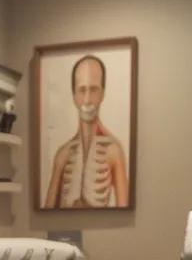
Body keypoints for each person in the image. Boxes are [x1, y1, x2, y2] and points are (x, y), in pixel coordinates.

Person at [43, 55, 129, 209]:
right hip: (64, 231)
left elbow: (125, 208)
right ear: (74, 96)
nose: (87, 99)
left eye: (94, 90)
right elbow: (47, 210)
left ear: (102, 94)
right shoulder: (63, 154)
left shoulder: (114, 151)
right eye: (82, 90)